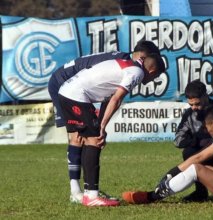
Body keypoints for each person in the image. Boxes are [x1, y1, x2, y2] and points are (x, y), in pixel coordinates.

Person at [48, 40, 161, 205]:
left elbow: (108, 96)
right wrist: (99, 127)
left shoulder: (124, 61)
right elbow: (113, 97)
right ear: (144, 58)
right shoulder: (133, 69)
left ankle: (88, 190)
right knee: (78, 138)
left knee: (91, 136)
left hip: (75, 88)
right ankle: (77, 192)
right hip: (63, 82)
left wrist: (100, 126)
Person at [122, 106, 213, 204]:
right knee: (205, 167)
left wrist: (171, 173)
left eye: (207, 127)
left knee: (196, 168)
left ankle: (152, 196)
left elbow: (199, 157)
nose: (207, 130)